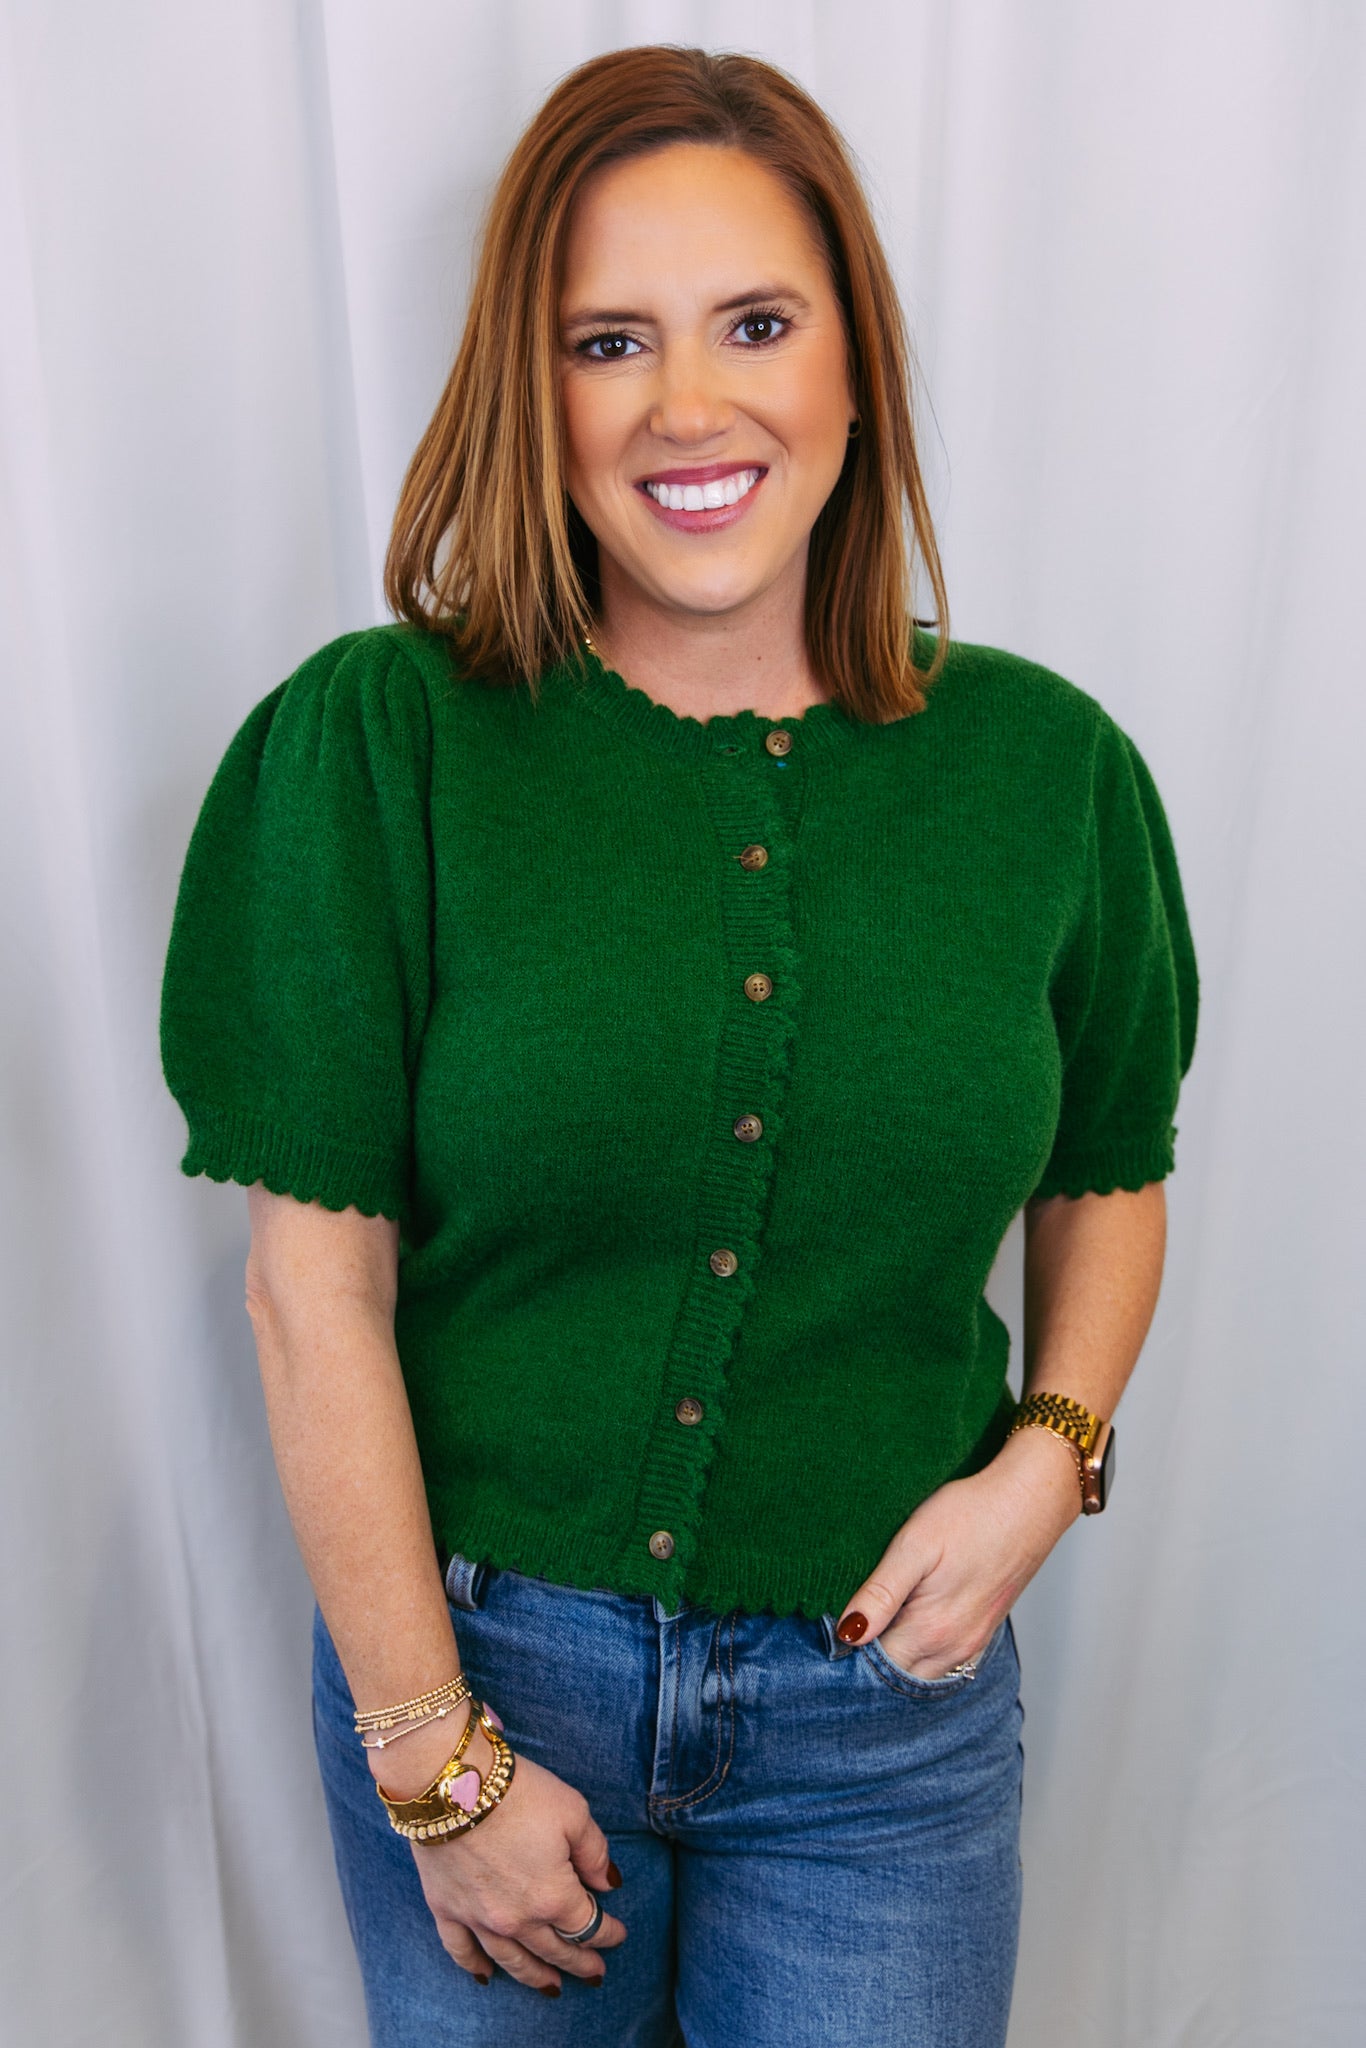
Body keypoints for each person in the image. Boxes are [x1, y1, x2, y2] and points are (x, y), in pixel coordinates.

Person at [160, 43, 1198, 2048]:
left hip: (879, 1719)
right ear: (522, 388)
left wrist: (1042, 1463)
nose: (687, 405)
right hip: (474, 1679)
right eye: (607, 340)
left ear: (851, 368)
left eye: (753, 324)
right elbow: (314, 1296)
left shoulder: (1045, 773)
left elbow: (1106, 1168)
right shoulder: (382, 747)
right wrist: (431, 1766)